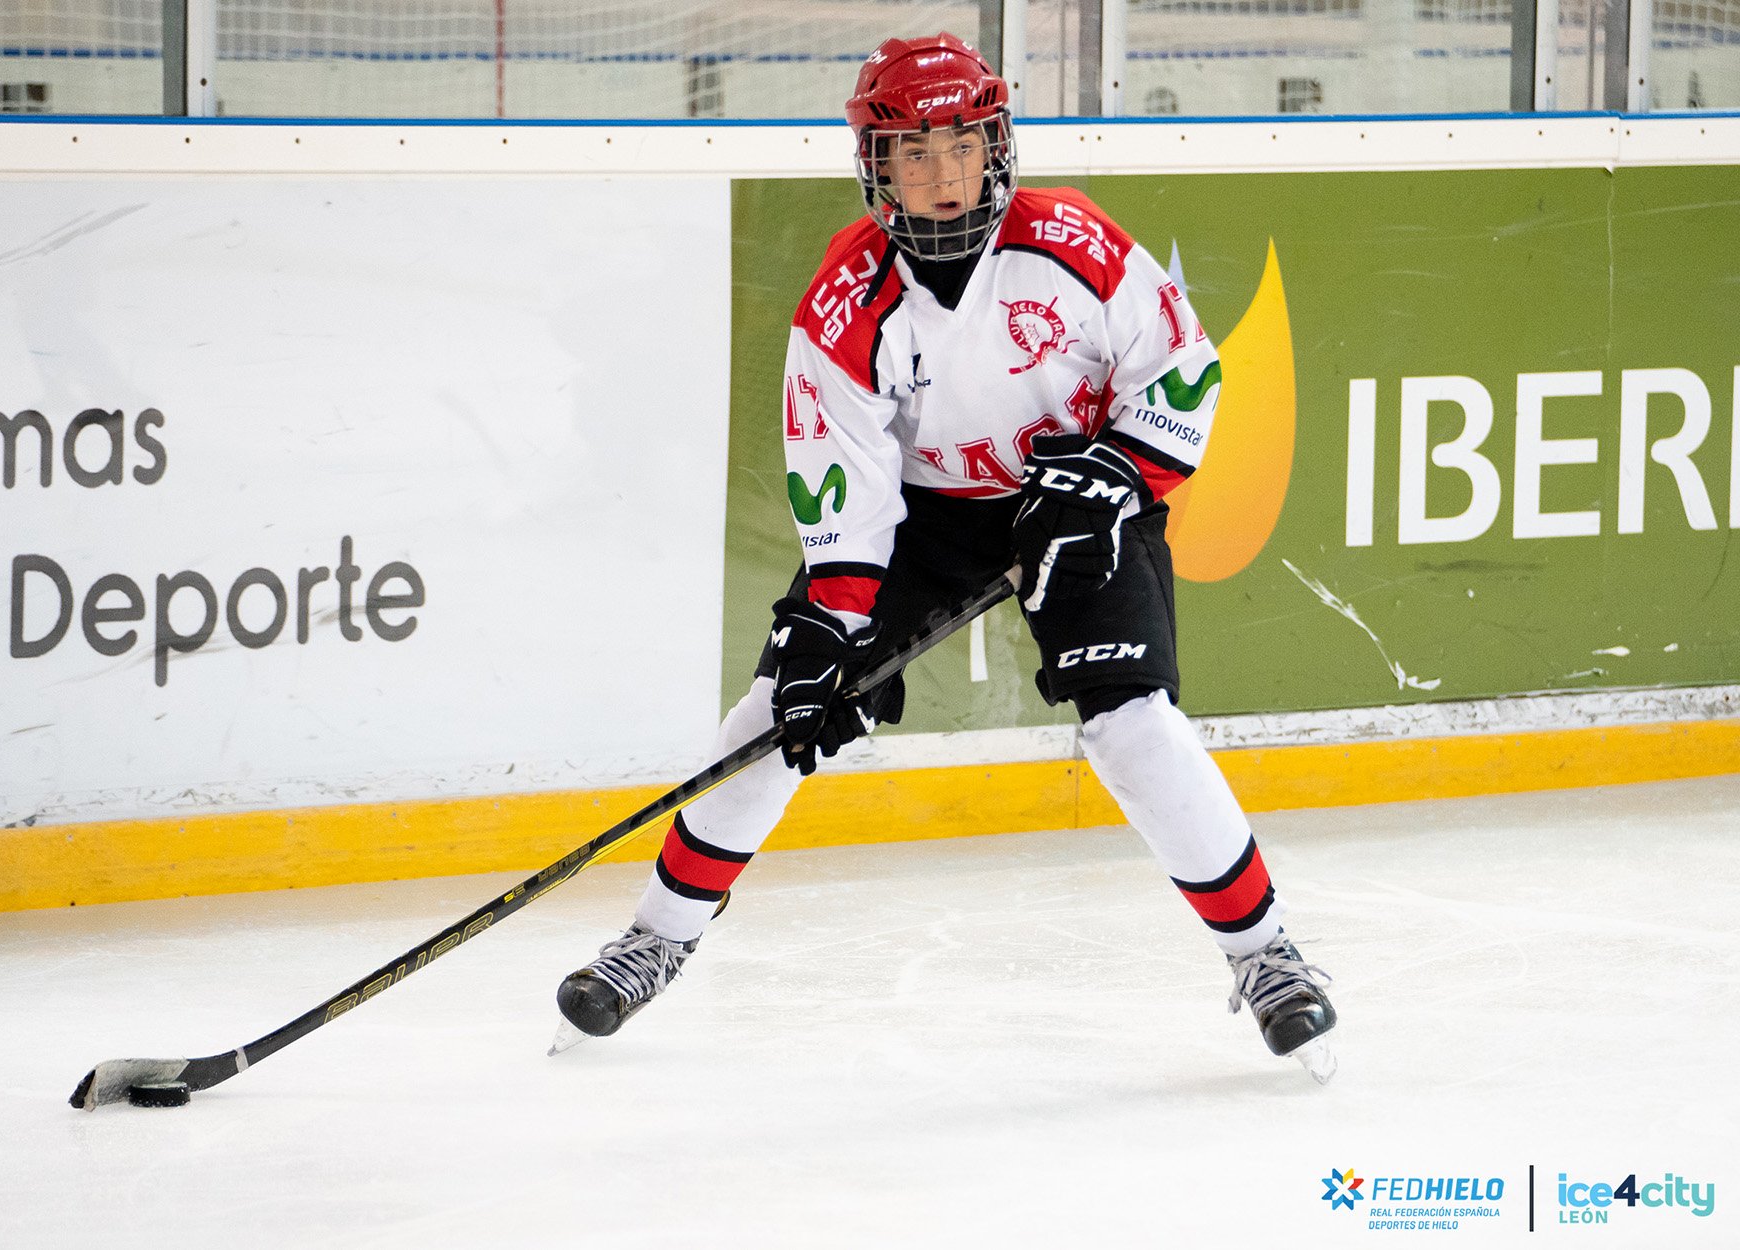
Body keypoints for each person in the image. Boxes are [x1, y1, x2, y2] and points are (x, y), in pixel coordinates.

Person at [552, 33, 1338, 1081]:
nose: (936, 174)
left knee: (1130, 720)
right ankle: (652, 939)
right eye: (909, 153)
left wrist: (1115, 476)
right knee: (777, 706)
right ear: (874, 166)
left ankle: (1266, 955)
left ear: (994, 146)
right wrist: (833, 621)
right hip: (921, 516)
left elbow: (1182, 375)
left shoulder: (1074, 242)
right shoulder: (846, 301)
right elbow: (847, 481)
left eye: (957, 147)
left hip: (1078, 493)